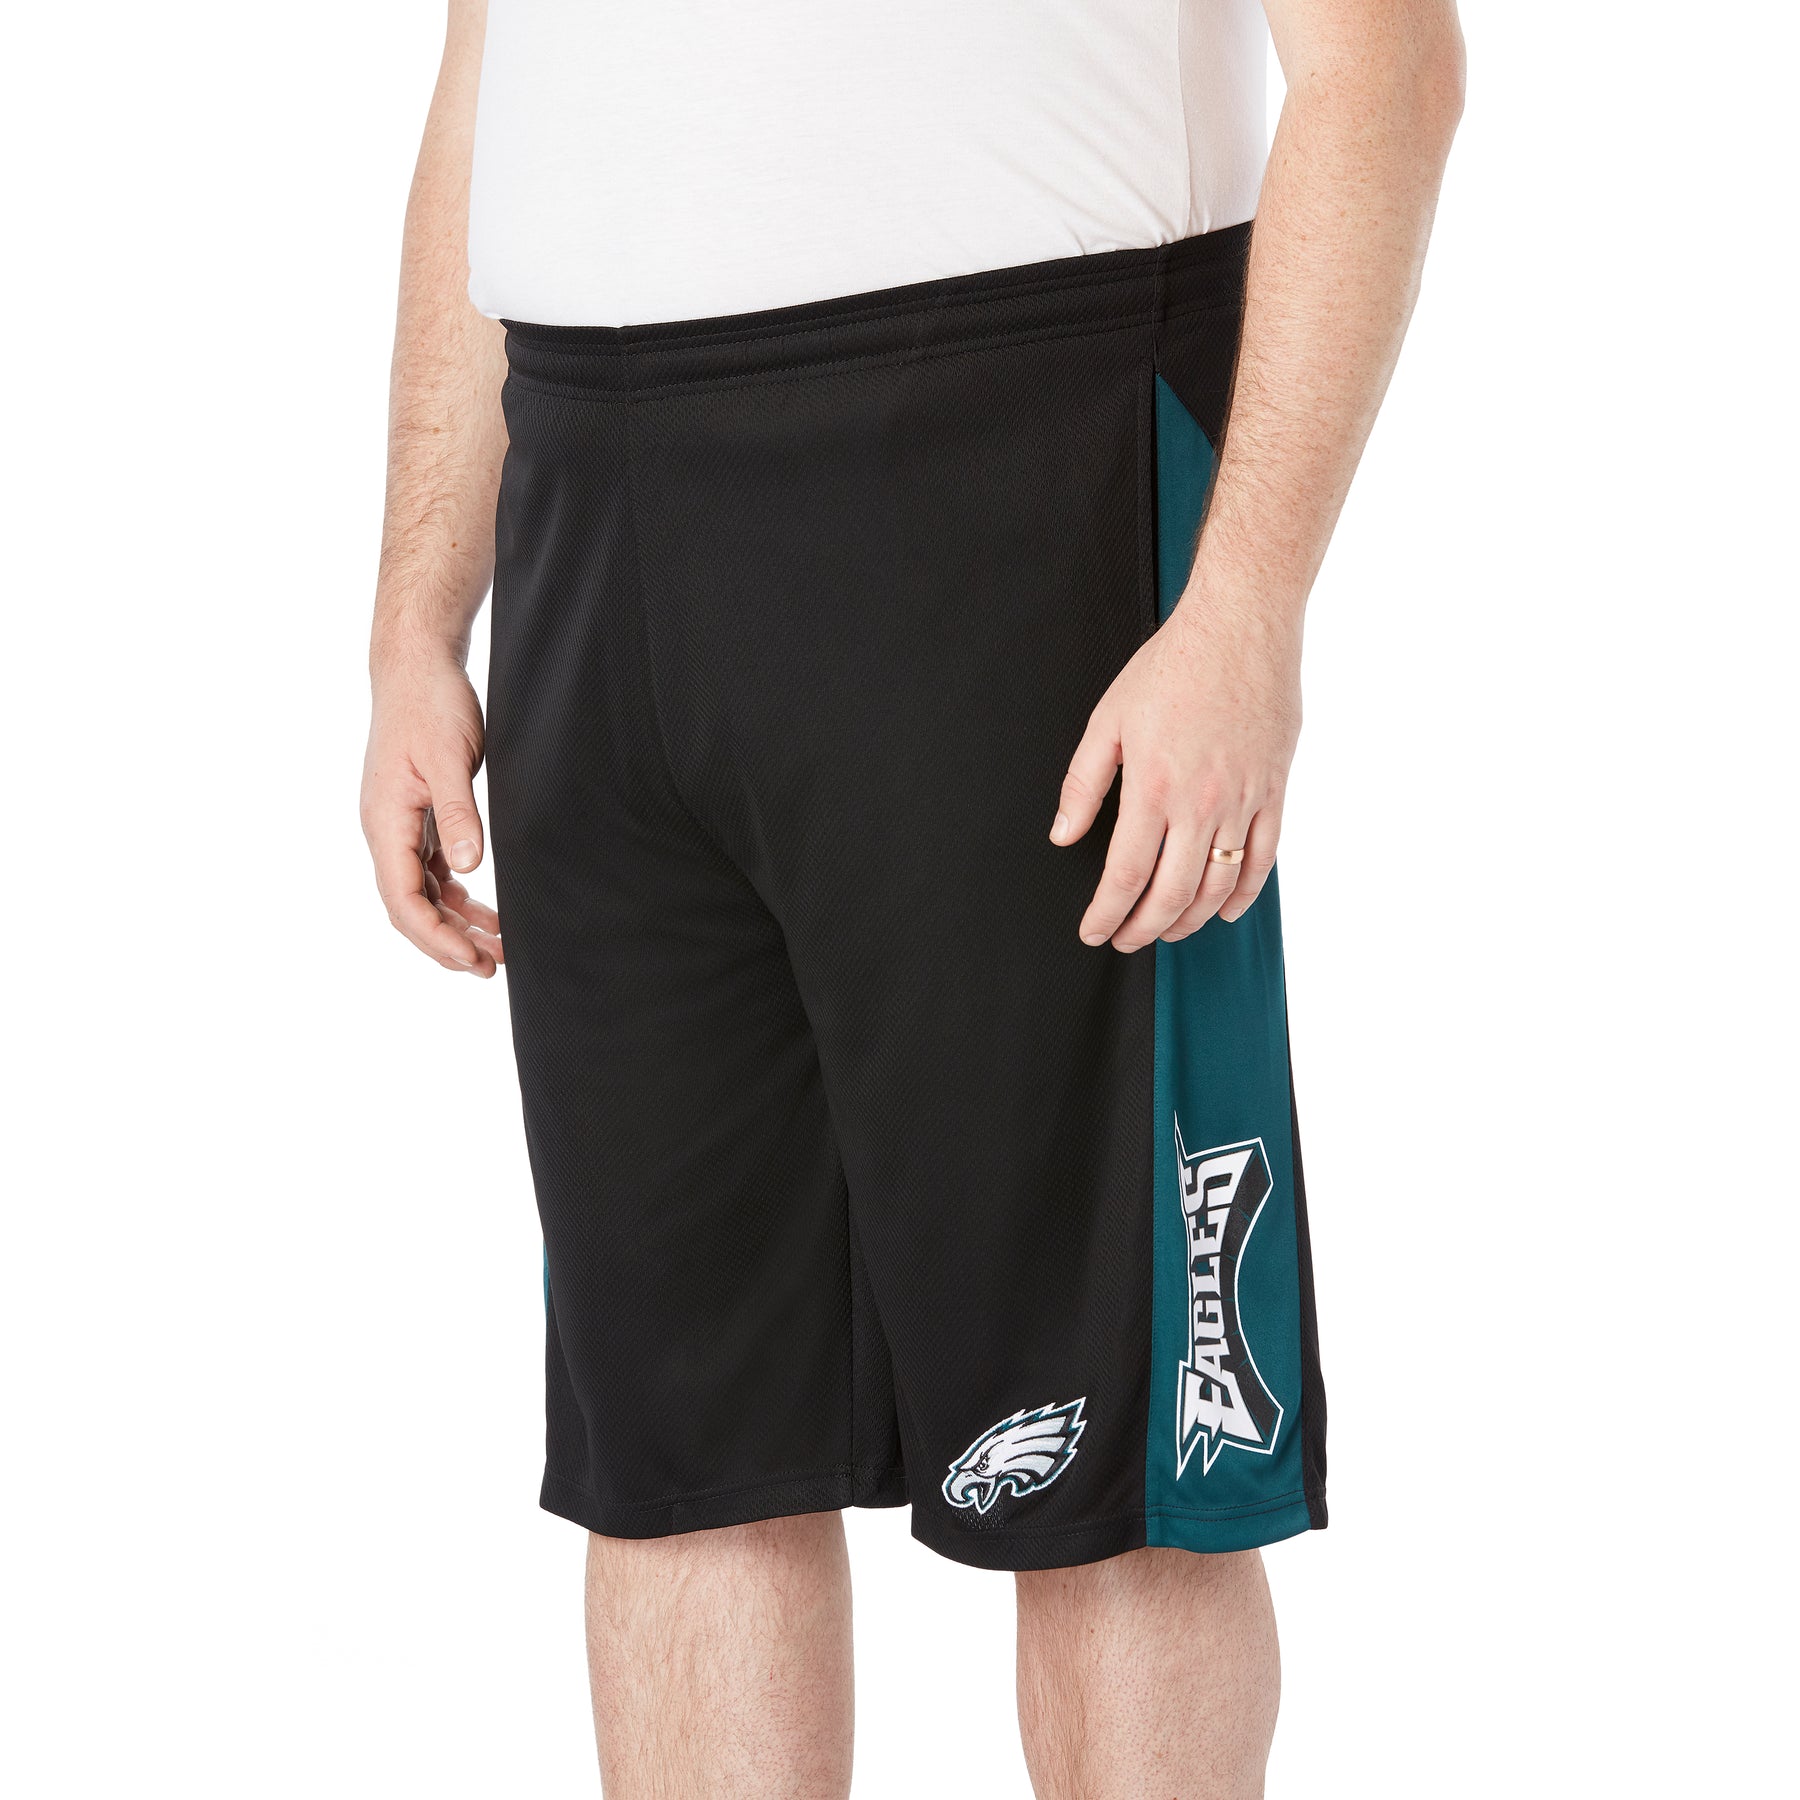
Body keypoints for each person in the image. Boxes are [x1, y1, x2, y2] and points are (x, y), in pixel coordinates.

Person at [360, 1, 1462, 1791]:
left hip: (1021, 462)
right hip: (591, 508)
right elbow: (492, 58)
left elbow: (1389, 64)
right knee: (683, 1459)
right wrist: (417, 614)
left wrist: (1247, 606)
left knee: (1112, 1458)